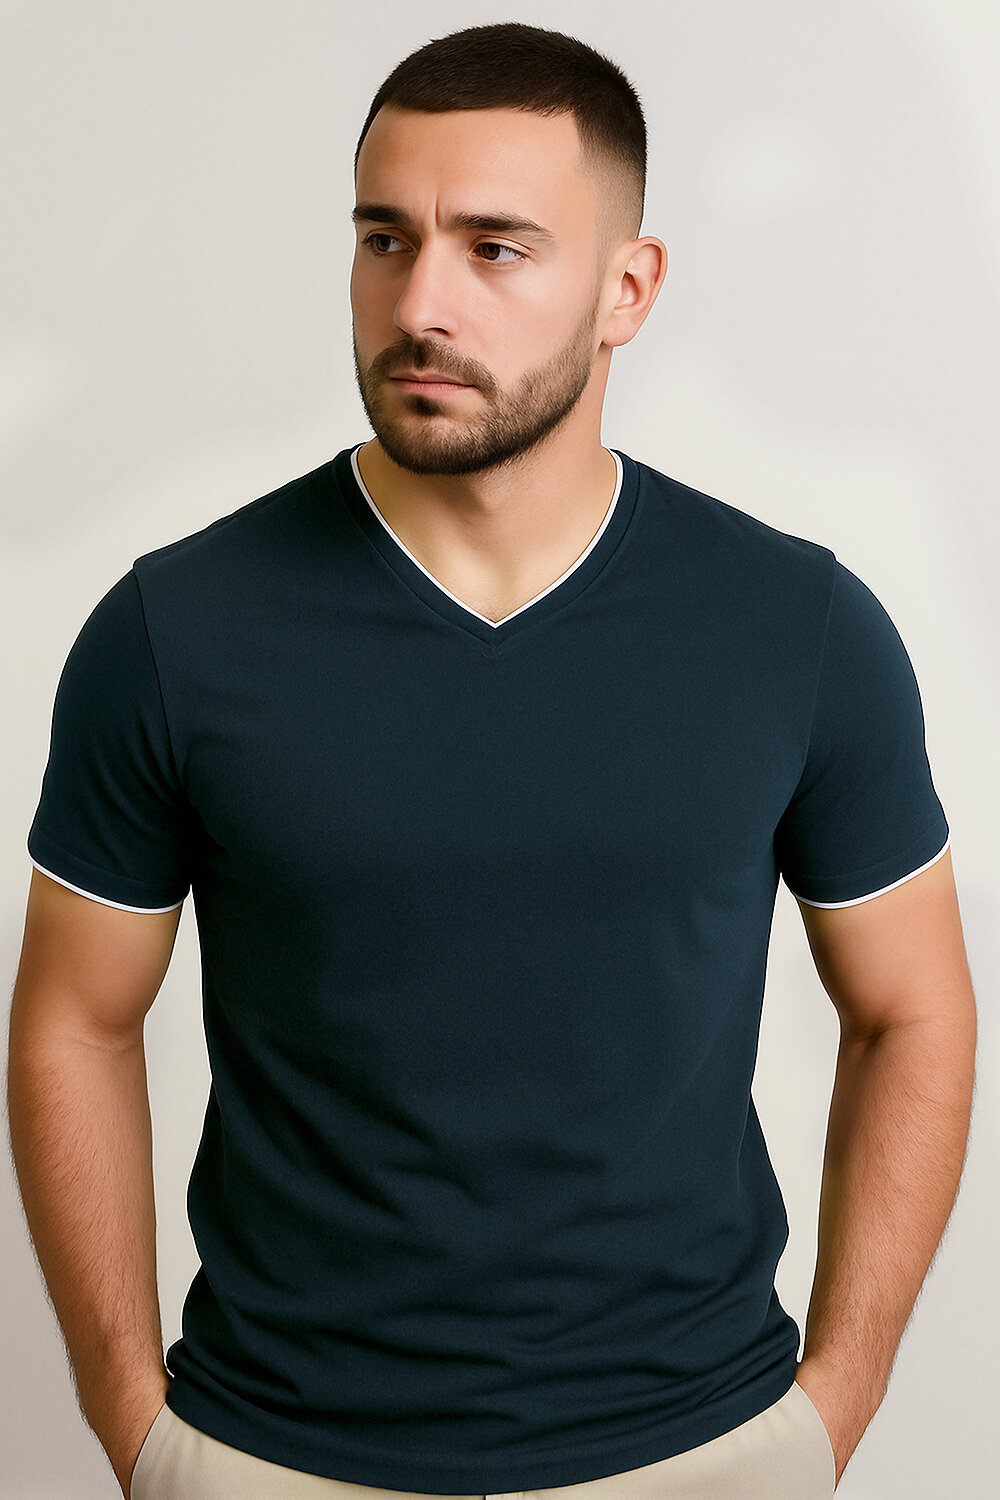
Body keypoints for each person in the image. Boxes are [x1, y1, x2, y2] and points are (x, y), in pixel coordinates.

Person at [7, 21, 976, 1500]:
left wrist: (830, 1408)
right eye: (385, 240)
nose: (421, 304)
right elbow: (73, 1021)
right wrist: (139, 1427)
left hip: (700, 1450)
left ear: (628, 287)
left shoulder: (798, 628)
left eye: (496, 249)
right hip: (271, 1453)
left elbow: (915, 1011)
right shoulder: (173, 630)